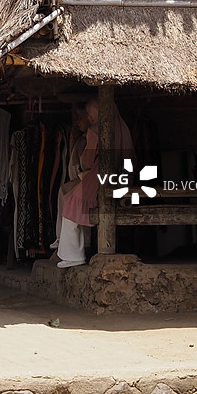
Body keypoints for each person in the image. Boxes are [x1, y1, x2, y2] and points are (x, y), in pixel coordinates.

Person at [56, 97, 134, 268]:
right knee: (73, 202)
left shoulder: (95, 131)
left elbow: (88, 161)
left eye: (90, 114)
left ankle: (73, 253)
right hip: (121, 176)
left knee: (72, 205)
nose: (88, 118)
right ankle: (72, 251)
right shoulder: (122, 127)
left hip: (99, 174)